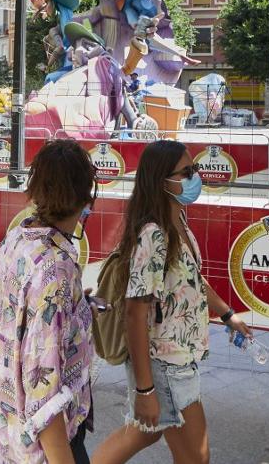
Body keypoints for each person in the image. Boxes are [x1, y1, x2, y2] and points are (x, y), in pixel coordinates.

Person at [93, 140, 251, 464]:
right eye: (187, 171)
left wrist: (227, 314)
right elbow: (135, 316)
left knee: (146, 431)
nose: (196, 176)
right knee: (196, 457)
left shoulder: (178, 222)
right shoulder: (154, 235)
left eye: (195, 169)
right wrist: (146, 391)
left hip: (175, 359)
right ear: (162, 180)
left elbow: (190, 279)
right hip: (165, 365)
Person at [0, 140, 98, 464]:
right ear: (87, 197)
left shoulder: (18, 237)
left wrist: (74, 310)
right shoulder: (56, 268)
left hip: (11, 432)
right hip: (48, 448)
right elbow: (42, 385)